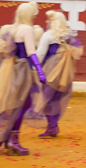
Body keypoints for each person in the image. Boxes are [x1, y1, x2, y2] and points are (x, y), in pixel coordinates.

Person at [0, 2, 47, 156]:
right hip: (23, 69)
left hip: (12, 69)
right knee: (22, 104)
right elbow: (31, 52)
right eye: (33, 14)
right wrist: (40, 71)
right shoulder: (27, 29)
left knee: (15, 105)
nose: (34, 16)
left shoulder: (12, 28)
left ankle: (7, 137)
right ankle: (13, 140)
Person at [33, 10, 82, 138]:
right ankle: (53, 125)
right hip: (65, 71)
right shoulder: (68, 36)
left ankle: (52, 126)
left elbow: (40, 54)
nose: (46, 22)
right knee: (57, 98)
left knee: (46, 97)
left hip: (50, 69)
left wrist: (35, 67)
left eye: (48, 20)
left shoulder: (48, 35)